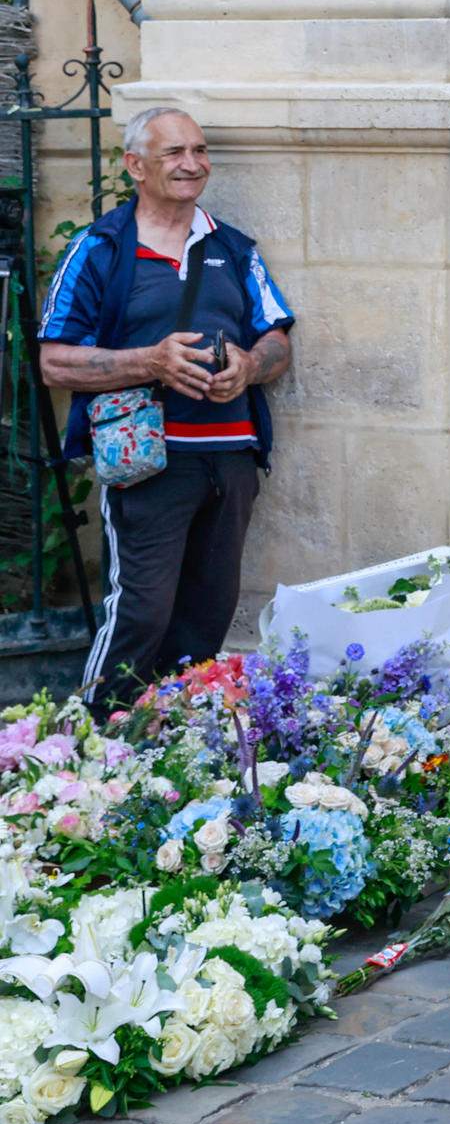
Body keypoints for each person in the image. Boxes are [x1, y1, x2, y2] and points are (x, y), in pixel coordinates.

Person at [41, 108, 295, 712]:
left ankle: (176, 747)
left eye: (200, 151)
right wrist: (150, 361)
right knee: (139, 612)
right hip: (147, 463)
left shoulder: (231, 248)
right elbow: (54, 362)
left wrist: (250, 365)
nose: (192, 164)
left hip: (229, 460)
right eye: (174, 152)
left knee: (207, 615)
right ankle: (98, 739)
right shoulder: (100, 249)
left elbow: (278, 339)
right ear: (135, 166)